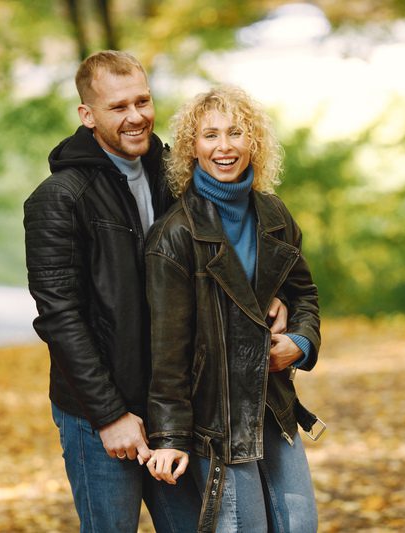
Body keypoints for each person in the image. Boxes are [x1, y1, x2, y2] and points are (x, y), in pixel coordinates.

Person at [23, 51, 289, 532]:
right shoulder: (58, 199)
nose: (135, 117)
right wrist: (109, 415)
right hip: (99, 414)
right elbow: (59, 318)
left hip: (176, 408)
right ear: (88, 115)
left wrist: (269, 300)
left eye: (142, 101)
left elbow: (226, 253)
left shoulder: (175, 176)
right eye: (117, 107)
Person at [144, 85, 325, 533]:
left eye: (236, 133)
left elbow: (304, 295)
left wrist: (298, 343)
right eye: (209, 136)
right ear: (192, 148)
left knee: (300, 526)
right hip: (216, 419)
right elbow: (167, 349)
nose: (224, 147)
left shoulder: (275, 215)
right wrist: (168, 436)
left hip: (273, 402)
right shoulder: (175, 234)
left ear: (254, 143)